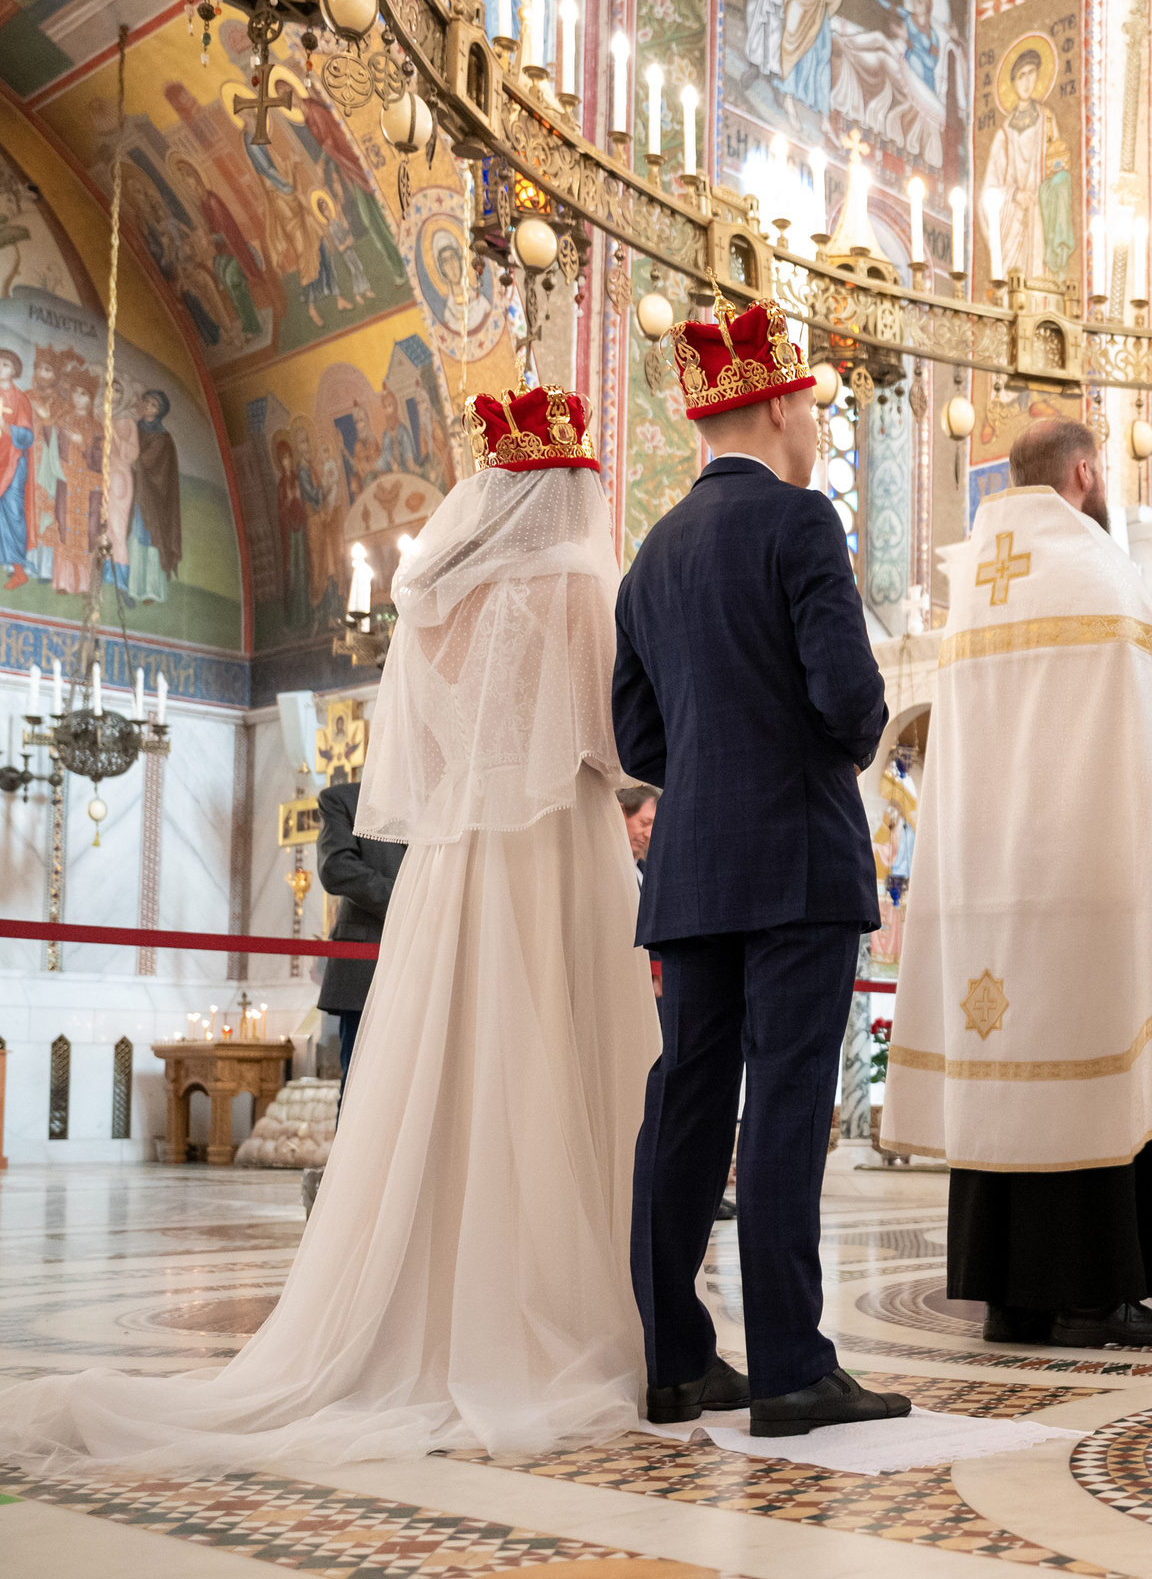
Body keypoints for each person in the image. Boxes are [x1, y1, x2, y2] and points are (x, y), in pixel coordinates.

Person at [0, 385, 659, 1473]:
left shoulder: (441, 595)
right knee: (558, 1061)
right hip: (551, 850)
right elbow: (614, 740)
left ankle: (428, 1302)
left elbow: (423, 757)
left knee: (449, 1077)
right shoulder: (575, 579)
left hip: (454, 865)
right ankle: (553, 1317)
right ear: (567, 493)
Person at [614, 299, 909, 1436]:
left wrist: (712, 768)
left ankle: (676, 1361)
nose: (817, 427)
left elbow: (639, 738)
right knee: (785, 1100)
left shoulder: (652, 554)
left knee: (687, 1102)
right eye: (811, 408)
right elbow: (850, 700)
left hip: (691, 872)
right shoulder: (801, 521)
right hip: (797, 863)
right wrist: (836, 737)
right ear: (781, 406)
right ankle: (789, 1368)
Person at [885, 418, 1152, 1349]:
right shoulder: (1098, 569)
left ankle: (1010, 1296)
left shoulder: (976, 587)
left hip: (986, 884)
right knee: (1087, 1058)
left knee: (1005, 1068)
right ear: (1086, 473)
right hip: (1081, 880)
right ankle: (1094, 1294)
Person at [315, 765, 405, 1097]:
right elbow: (336, 867)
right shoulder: (343, 800)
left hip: (428, 964)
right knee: (360, 1089)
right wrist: (407, 899)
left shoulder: (444, 806)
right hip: (365, 970)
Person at [619, 783, 658, 875]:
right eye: (645, 823)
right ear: (621, 812)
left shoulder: (651, 875)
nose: (649, 835)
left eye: (656, 829)